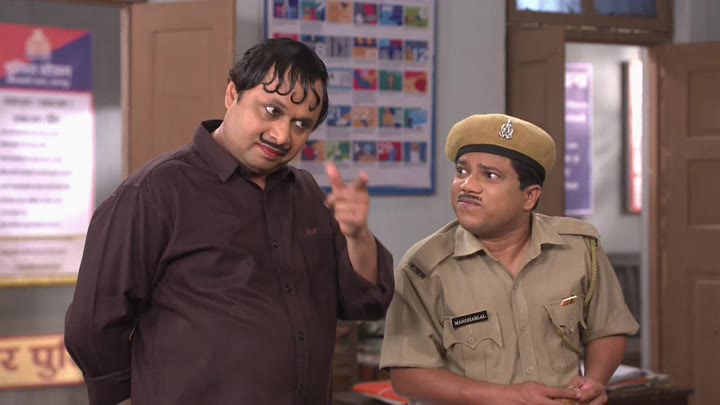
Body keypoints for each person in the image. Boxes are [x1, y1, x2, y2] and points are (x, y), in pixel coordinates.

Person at [64, 38, 394, 405]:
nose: (282, 135)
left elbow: (364, 302)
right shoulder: (155, 192)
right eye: (271, 110)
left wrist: (358, 236)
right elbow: (93, 322)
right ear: (232, 93)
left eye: (301, 124)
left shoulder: (307, 195)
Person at [379, 114, 639, 405]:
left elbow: (608, 328)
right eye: (462, 171)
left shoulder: (578, 248)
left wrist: (595, 380)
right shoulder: (424, 267)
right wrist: (508, 397)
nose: (467, 186)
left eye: (490, 176)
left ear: (530, 197)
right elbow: (407, 375)